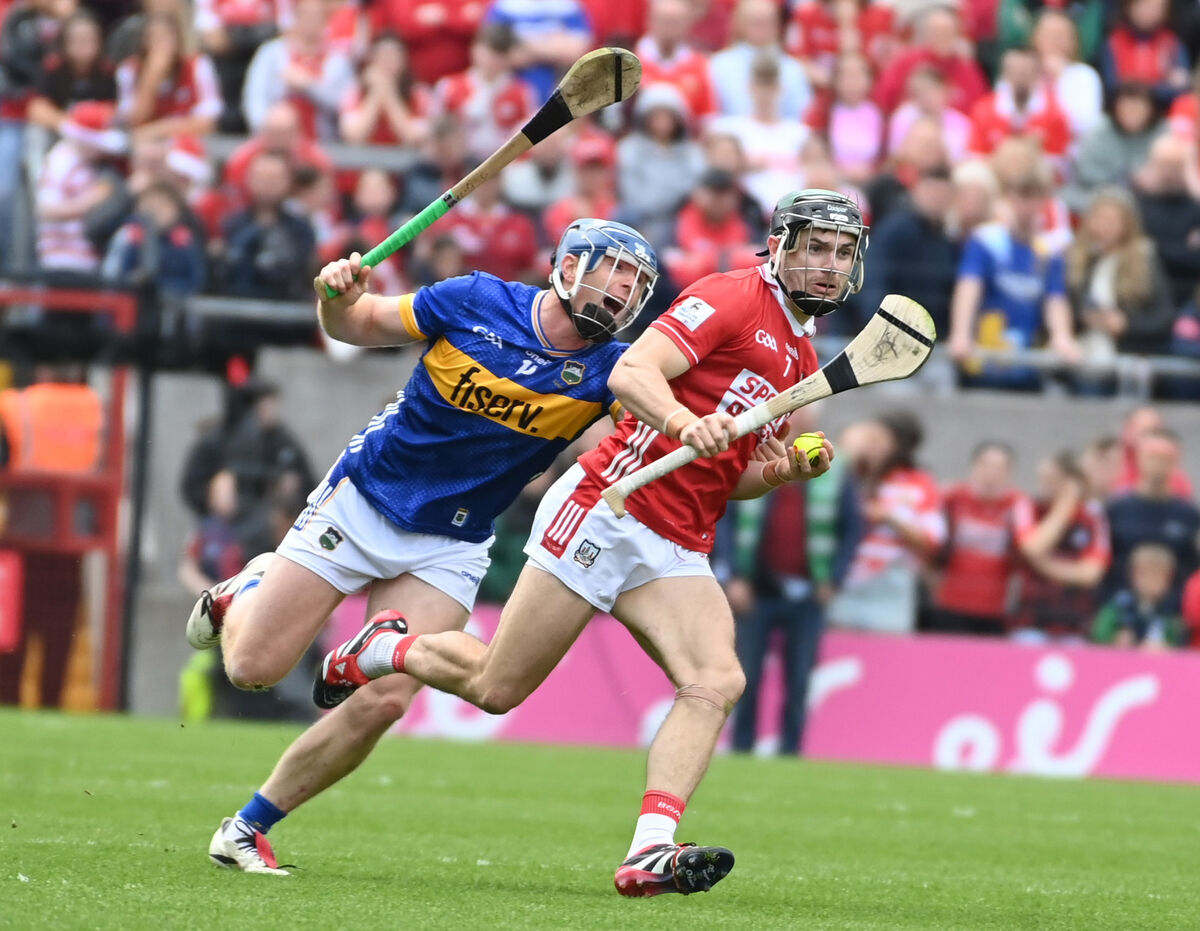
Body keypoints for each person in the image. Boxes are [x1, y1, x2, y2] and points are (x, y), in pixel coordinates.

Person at [315, 189, 864, 897]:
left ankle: (651, 849)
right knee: (494, 686)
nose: (828, 265)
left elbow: (736, 478)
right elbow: (632, 371)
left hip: (677, 540)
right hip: (610, 507)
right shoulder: (730, 296)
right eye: (815, 247)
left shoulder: (798, 351)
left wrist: (783, 470)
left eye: (842, 252)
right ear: (782, 247)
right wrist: (678, 420)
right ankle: (383, 648)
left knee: (716, 680)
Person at [187, 218, 661, 874]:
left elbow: (661, 433)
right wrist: (336, 294)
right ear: (568, 264)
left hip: (452, 541)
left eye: (635, 285)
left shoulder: (614, 370)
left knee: (385, 697)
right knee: (252, 668)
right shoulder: (475, 299)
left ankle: (247, 826)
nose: (621, 293)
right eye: (614, 273)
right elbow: (355, 325)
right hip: (362, 501)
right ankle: (245, 590)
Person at [716, 408, 861, 755]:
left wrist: (835, 579)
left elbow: (852, 528)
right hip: (755, 589)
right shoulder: (756, 453)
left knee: (799, 679)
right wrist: (732, 576)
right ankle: (741, 747)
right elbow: (725, 517)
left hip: (808, 593)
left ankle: (790, 750)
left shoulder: (836, 469)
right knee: (745, 675)